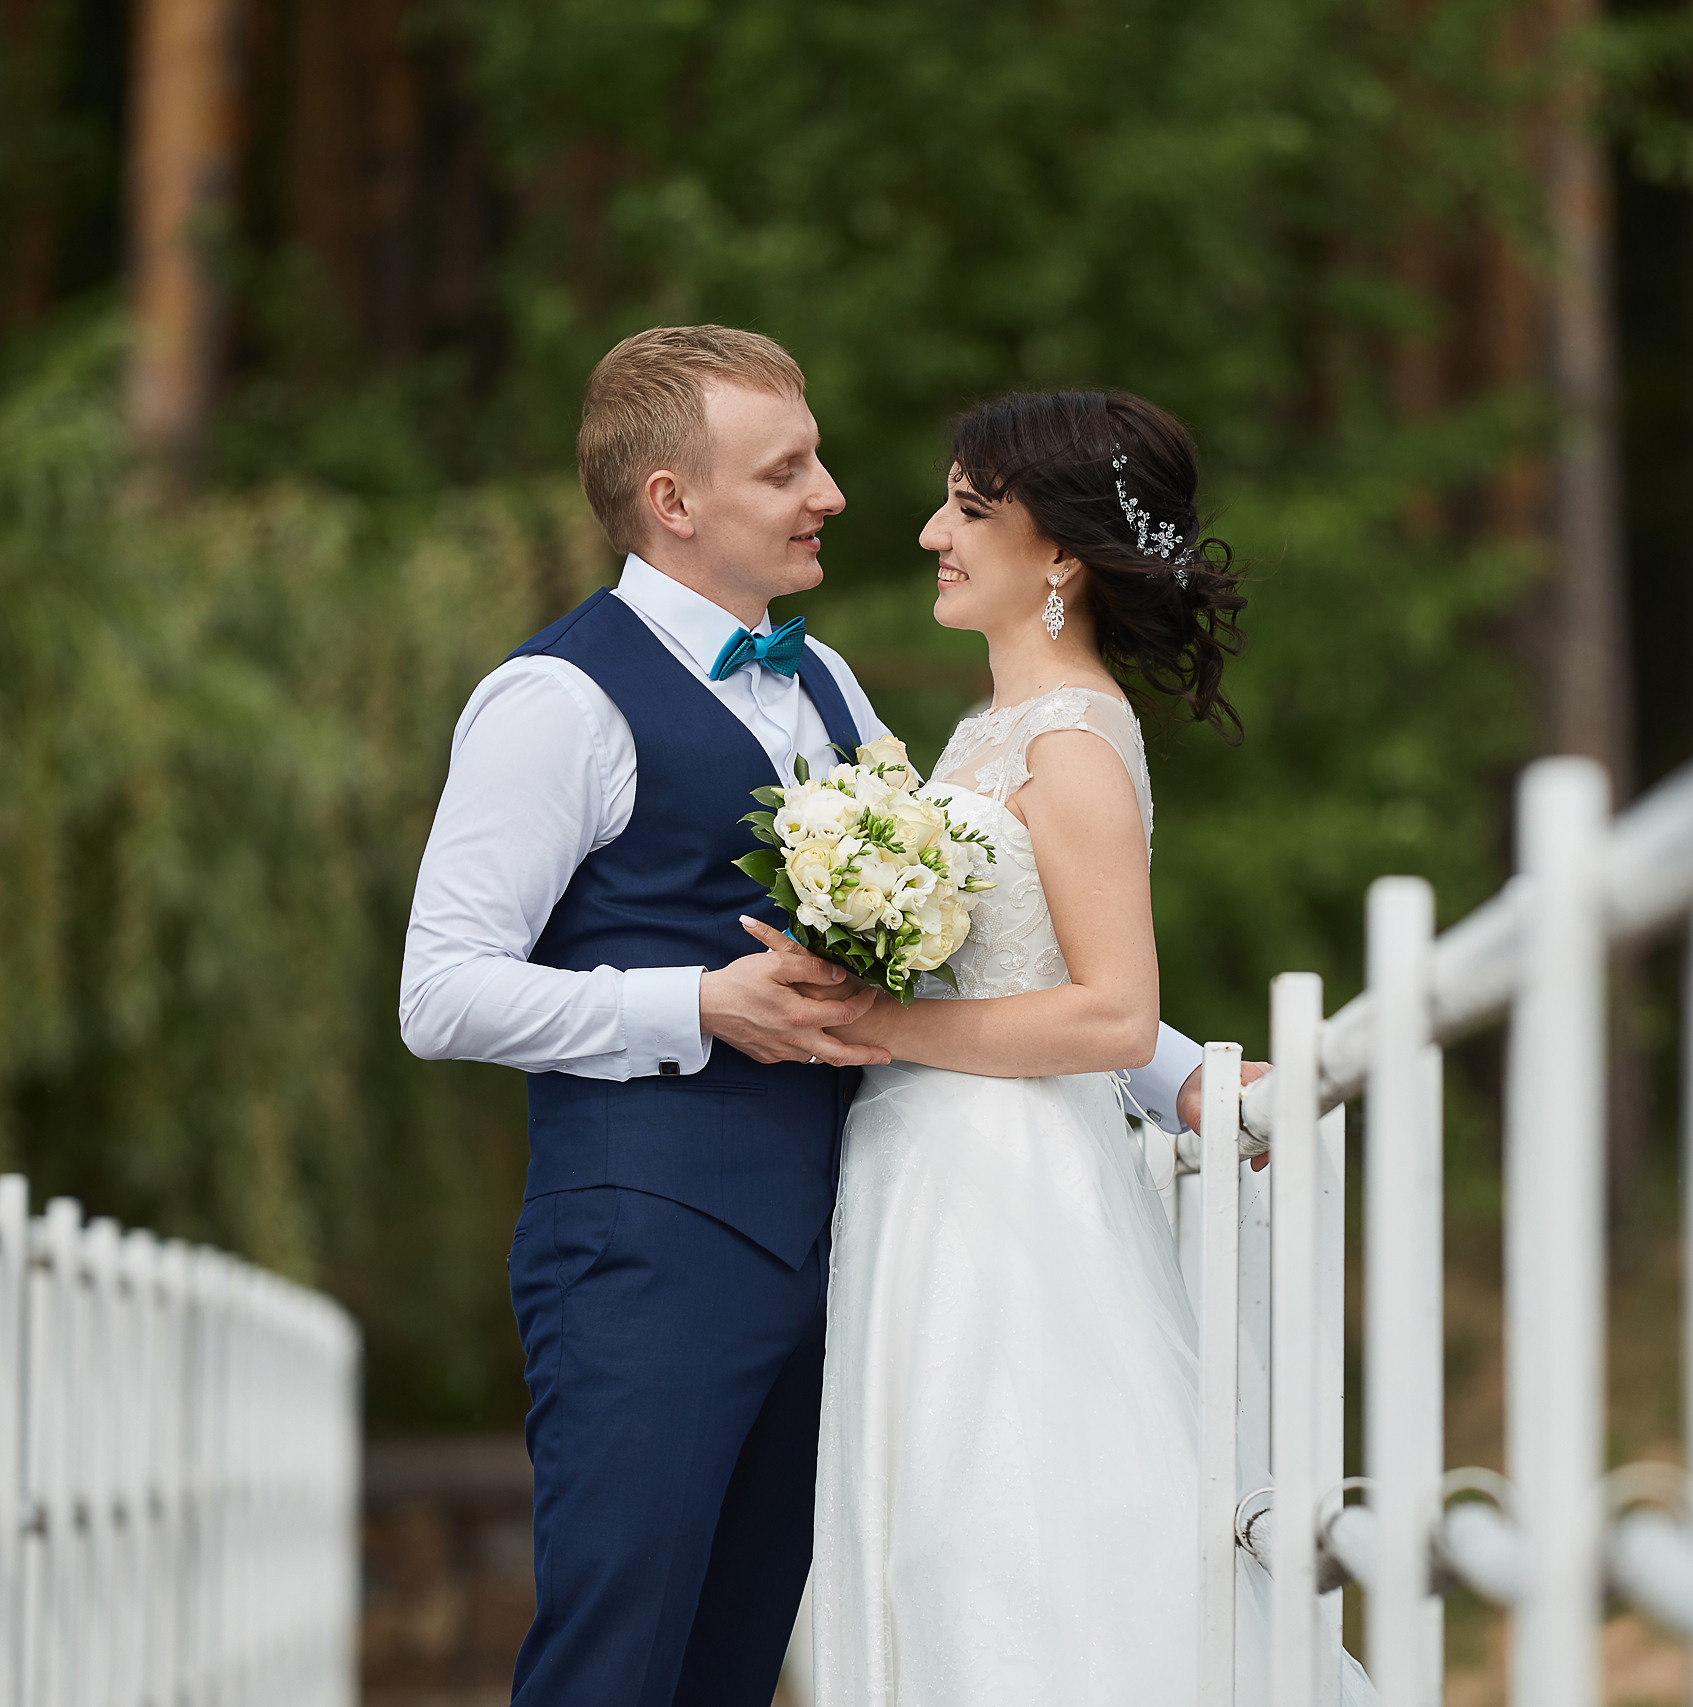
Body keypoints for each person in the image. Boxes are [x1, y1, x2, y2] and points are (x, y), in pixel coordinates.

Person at [399, 330, 1221, 1706]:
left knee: (736, 1668)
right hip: (646, 1260)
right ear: (673, 501)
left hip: (851, 1257)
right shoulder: (556, 700)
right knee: (617, 1661)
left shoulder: (828, 681)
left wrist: (1177, 1074)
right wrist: (697, 1004)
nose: (833, 493)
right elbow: (441, 990)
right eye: (787, 471)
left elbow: (981, 937)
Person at [778, 389, 1369, 1705]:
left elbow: (1107, 1009)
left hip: (1006, 1184)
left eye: (970, 509)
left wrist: (886, 1022)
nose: (934, 530)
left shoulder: (1074, 740)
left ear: (1060, 556)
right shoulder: (994, 730)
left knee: (1012, 1540)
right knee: (933, 1538)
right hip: (924, 1170)